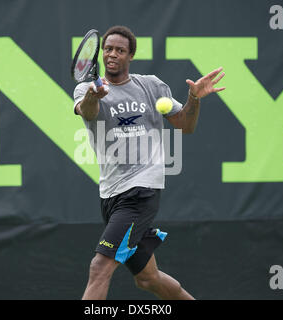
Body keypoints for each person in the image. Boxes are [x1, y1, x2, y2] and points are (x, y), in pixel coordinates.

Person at [73, 25, 225, 300]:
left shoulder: (152, 86)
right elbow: (87, 111)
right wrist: (93, 96)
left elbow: (185, 126)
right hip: (111, 195)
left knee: (99, 267)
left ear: (131, 55)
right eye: (108, 49)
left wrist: (194, 98)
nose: (112, 54)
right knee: (148, 278)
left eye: (120, 50)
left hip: (140, 191)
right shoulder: (86, 89)